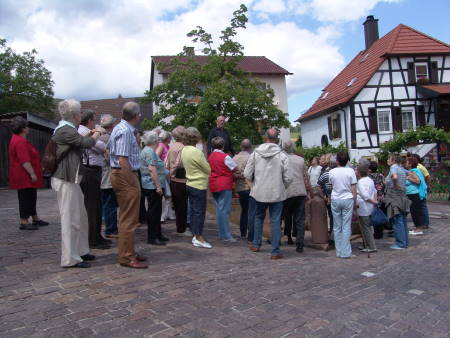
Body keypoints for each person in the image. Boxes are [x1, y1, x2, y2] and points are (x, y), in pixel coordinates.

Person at [51, 99, 100, 268]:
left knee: (81, 217)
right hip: (65, 179)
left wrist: (89, 133)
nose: (81, 115)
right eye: (79, 112)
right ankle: (70, 259)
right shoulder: (65, 129)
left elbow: (77, 140)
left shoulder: (68, 129)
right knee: (70, 219)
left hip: (71, 179)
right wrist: (97, 133)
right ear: (74, 115)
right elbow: (84, 143)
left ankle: (81, 251)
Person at [108, 102, 148, 269]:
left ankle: (128, 250)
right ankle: (126, 256)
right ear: (136, 115)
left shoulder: (120, 128)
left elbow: (109, 151)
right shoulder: (125, 131)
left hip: (121, 173)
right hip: (125, 174)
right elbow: (123, 159)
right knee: (129, 219)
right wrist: (132, 181)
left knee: (128, 217)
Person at [244, 128, 292, 260]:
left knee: (258, 217)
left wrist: (253, 186)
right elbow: (288, 178)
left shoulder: (255, 153)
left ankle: (256, 244)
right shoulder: (282, 155)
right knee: (275, 221)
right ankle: (275, 251)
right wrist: (282, 186)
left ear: (265, 137)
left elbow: (247, 174)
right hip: (277, 192)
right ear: (277, 139)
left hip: (259, 192)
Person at [78, 110, 111, 250]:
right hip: (90, 170)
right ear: (90, 120)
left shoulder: (83, 130)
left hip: (91, 170)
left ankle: (96, 236)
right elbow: (98, 146)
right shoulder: (84, 131)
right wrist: (99, 138)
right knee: (93, 206)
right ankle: (93, 238)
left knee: (95, 205)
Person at [8, 116, 48, 230]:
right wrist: (32, 173)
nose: (28, 128)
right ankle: (24, 221)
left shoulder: (20, 139)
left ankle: (34, 218)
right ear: (22, 128)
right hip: (23, 175)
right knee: (25, 197)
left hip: (25, 175)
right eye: (26, 126)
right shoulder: (19, 141)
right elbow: (24, 160)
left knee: (31, 196)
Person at [181, 127, 212, 249]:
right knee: (199, 212)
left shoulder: (184, 150)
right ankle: (199, 237)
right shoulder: (196, 152)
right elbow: (207, 169)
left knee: (194, 211)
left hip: (189, 183)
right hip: (199, 184)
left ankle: (195, 235)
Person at [140, 130, 170, 246]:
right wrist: (158, 186)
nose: (159, 141)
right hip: (151, 186)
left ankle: (158, 234)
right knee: (153, 212)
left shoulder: (150, 151)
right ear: (154, 141)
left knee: (157, 211)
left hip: (154, 185)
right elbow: (152, 170)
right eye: (157, 139)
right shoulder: (149, 152)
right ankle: (152, 237)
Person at [208, 136, 237, 242]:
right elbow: (235, 167)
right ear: (223, 146)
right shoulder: (225, 157)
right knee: (224, 211)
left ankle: (221, 233)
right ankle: (226, 236)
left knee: (219, 211)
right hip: (224, 184)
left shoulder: (210, 156)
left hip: (214, 184)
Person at [329, 151, 357, 259]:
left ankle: (339, 251)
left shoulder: (332, 172)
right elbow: (353, 189)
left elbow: (332, 187)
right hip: (347, 199)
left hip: (336, 198)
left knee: (337, 226)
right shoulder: (351, 171)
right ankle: (346, 252)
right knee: (346, 226)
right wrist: (355, 202)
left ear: (337, 161)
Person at [282, 141, 309, 253]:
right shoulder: (300, 160)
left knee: (287, 215)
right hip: (300, 191)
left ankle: (288, 237)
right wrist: (309, 191)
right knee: (300, 218)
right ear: (293, 148)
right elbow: (305, 177)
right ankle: (300, 243)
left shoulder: (281, 159)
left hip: (287, 191)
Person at [165, 126, 191, 236]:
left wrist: (170, 174)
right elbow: (180, 163)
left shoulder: (171, 147)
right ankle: (182, 229)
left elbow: (166, 163)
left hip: (173, 179)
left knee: (177, 205)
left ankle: (180, 227)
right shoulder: (182, 147)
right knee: (182, 206)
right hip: (181, 179)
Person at [384, 154, 410, 250]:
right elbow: (411, 174)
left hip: (394, 196)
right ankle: (405, 242)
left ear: (393, 160)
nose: (387, 160)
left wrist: (395, 184)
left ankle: (400, 243)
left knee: (397, 219)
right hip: (402, 196)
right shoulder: (400, 168)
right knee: (402, 220)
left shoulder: (394, 167)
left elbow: (394, 177)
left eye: (389, 158)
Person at [99, 114, 118, 239]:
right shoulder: (108, 138)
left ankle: (109, 227)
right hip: (108, 175)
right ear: (112, 125)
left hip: (103, 175)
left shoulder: (100, 137)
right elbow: (111, 157)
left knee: (107, 203)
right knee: (110, 203)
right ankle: (110, 229)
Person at [233, 139, 253, 239]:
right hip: (250, 187)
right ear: (250, 147)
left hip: (240, 188)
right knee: (251, 212)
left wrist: (238, 176)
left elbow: (231, 172)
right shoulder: (251, 157)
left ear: (241, 146)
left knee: (244, 211)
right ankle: (251, 234)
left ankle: (242, 233)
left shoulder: (234, 158)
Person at [356, 160, 377, 253]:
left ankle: (371, 246)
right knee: (366, 227)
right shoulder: (370, 180)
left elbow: (365, 196)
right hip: (369, 207)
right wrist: (374, 201)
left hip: (364, 207)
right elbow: (375, 191)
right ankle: (366, 244)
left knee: (366, 228)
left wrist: (373, 202)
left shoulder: (360, 182)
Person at [405, 156, 427, 236]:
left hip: (414, 194)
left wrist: (408, 178)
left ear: (410, 164)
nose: (405, 164)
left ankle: (418, 229)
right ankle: (417, 228)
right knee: (415, 211)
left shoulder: (413, 171)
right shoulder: (412, 171)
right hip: (412, 194)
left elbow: (418, 181)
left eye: (406, 162)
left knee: (415, 212)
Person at [317, 154, 335, 237]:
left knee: (332, 217)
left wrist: (324, 196)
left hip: (330, 198)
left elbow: (319, 184)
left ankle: (332, 236)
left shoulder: (326, 172)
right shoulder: (327, 171)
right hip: (335, 198)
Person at [368, 161, 386, 239]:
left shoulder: (368, 177)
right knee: (379, 214)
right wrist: (383, 194)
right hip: (381, 197)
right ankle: (380, 232)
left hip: (373, 198)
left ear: (370, 169)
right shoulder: (381, 175)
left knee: (374, 215)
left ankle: (376, 233)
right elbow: (384, 185)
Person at [412, 154, 431, 229]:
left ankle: (425, 223)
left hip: (421, 188)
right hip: (418, 188)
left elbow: (428, 176)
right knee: (419, 206)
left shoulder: (419, 167)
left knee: (422, 206)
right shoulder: (416, 167)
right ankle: (421, 222)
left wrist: (428, 185)